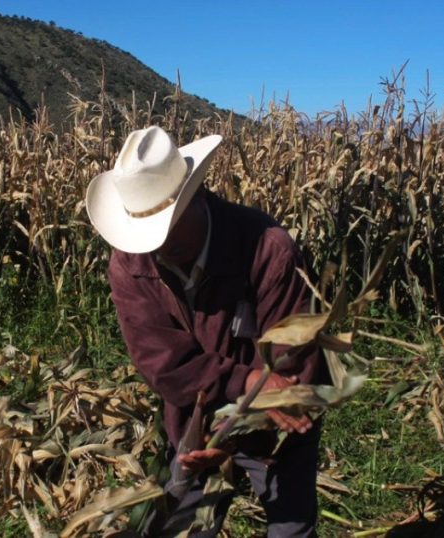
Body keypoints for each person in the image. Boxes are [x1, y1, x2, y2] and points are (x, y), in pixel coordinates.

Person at [85, 126, 329, 537]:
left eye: (170, 226)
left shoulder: (269, 250)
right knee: (184, 527)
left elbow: (290, 364)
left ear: (198, 195)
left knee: (291, 527)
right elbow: (164, 363)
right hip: (192, 423)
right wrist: (244, 384)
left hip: (274, 426)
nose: (158, 247)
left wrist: (232, 433)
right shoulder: (130, 265)